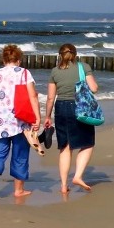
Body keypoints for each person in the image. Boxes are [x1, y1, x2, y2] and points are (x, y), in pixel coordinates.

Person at [0, 44, 41, 202]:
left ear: (3, 59)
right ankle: (18, 190)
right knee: (20, 154)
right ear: (19, 60)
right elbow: (33, 96)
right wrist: (37, 117)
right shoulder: (24, 73)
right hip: (19, 121)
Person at [43, 43, 99, 193]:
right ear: (75, 54)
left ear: (60, 55)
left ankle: (63, 186)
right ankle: (78, 176)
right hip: (80, 107)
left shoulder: (55, 71)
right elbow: (94, 88)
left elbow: (50, 98)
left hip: (61, 107)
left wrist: (47, 116)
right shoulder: (83, 67)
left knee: (65, 147)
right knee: (87, 143)